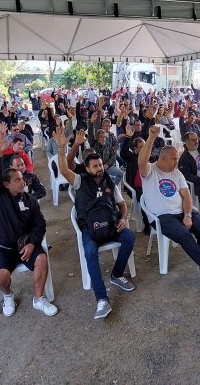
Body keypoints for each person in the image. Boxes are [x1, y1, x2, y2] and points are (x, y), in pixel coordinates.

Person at [139, 125, 200, 288]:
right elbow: (142, 161)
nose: (177, 162)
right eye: (174, 159)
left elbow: (186, 195)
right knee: (184, 235)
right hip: (162, 217)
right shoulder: (150, 172)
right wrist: (151, 139)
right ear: (162, 159)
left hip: (183, 212)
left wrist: (188, 214)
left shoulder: (176, 173)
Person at [54, 130, 136, 319]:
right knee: (90, 253)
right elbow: (65, 169)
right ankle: (102, 299)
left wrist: (123, 218)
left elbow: (122, 204)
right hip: (90, 229)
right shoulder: (80, 180)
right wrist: (64, 147)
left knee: (129, 238)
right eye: (95, 166)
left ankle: (116, 275)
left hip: (111, 225)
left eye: (100, 165)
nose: (99, 168)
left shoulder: (109, 181)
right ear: (87, 168)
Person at [0, 125, 58, 317]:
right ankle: (8, 295)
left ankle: (39, 298)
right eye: (17, 179)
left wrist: (33, 244)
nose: (22, 181)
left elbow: (40, 224)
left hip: (25, 246)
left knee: (42, 258)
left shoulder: (30, 199)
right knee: (0, 277)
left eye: (22, 178)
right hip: (2, 247)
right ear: (7, 184)